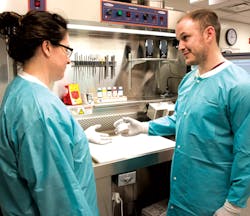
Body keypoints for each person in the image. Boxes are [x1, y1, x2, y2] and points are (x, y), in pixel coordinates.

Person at [114, 9, 250, 216]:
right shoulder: (189, 81)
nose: (180, 47)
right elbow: (181, 119)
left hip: (212, 203)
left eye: (185, 38)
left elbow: (246, 152)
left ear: (209, 34)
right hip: (179, 198)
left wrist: (234, 206)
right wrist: (144, 127)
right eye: (178, 40)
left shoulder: (239, 86)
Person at [0, 10, 107, 215]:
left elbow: (37, 157)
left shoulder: (19, 90)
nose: (69, 60)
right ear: (47, 47)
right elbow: (60, 203)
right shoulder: (40, 110)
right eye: (67, 50)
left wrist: (76, 139)